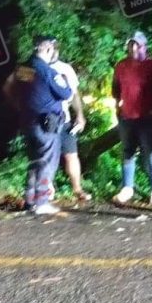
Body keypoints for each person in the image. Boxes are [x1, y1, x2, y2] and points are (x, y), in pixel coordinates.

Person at [4, 35, 71, 216]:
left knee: (34, 161)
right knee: (46, 163)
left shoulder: (25, 69)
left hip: (27, 122)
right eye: (53, 49)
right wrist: (64, 79)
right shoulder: (48, 72)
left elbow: (8, 88)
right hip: (46, 124)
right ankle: (42, 202)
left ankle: (29, 200)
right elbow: (65, 93)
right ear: (48, 49)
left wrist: (19, 106)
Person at [112, 31, 152, 206]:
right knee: (127, 152)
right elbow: (115, 88)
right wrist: (118, 106)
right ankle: (127, 187)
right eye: (131, 44)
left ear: (144, 46)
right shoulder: (121, 66)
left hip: (148, 117)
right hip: (127, 117)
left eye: (137, 44)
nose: (133, 47)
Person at [49, 56, 91, 204]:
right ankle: (47, 189)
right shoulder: (35, 67)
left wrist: (79, 115)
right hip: (44, 121)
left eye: (53, 47)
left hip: (64, 120)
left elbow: (74, 94)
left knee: (71, 155)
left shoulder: (65, 69)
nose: (51, 51)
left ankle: (77, 189)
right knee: (47, 156)